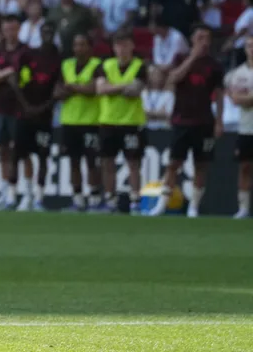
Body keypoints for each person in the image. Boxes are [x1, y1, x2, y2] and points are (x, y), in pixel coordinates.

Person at [149, 26, 225, 218]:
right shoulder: (180, 58)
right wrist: (192, 57)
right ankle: (161, 204)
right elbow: (173, 78)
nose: (203, 41)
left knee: (201, 164)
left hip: (204, 121)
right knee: (173, 163)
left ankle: (194, 206)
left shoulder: (215, 65)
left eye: (206, 37)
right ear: (192, 39)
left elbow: (219, 95)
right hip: (181, 119)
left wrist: (219, 121)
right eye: (199, 37)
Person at [96, 32, 148, 214]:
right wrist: (124, 85)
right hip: (108, 120)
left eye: (125, 45)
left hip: (131, 121)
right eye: (118, 45)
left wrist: (112, 87)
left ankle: (135, 200)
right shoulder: (106, 65)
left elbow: (134, 91)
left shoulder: (139, 66)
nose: (122, 49)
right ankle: (110, 199)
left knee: (133, 163)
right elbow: (101, 89)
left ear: (132, 46)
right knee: (107, 162)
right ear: (113, 47)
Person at [0, 14, 29, 211]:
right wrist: (5, 73)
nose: (10, 33)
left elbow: (25, 78)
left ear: (19, 30)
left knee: (22, 151)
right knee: (3, 150)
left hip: (19, 106)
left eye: (13, 29)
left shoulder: (26, 52)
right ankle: (6, 193)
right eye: (6, 29)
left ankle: (28, 193)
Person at [14, 23, 61, 211]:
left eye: (50, 31)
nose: (47, 35)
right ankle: (27, 194)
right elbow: (15, 80)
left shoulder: (58, 58)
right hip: (25, 113)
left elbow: (58, 89)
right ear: (40, 34)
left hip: (44, 115)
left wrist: (44, 107)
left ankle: (39, 197)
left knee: (43, 155)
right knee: (22, 153)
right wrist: (25, 105)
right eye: (45, 32)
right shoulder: (29, 55)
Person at [58, 33, 103, 212]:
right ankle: (77, 198)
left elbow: (93, 89)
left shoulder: (97, 65)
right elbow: (58, 91)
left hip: (90, 121)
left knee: (92, 161)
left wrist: (72, 87)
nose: (78, 48)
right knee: (73, 161)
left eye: (83, 45)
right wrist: (78, 88)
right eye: (76, 45)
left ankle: (94, 197)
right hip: (69, 120)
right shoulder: (66, 65)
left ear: (90, 47)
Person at [225, 36, 253, 219]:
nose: (252, 49)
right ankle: (243, 208)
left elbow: (241, 98)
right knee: (245, 167)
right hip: (246, 128)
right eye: (249, 46)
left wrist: (246, 98)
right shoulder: (239, 73)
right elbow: (235, 99)